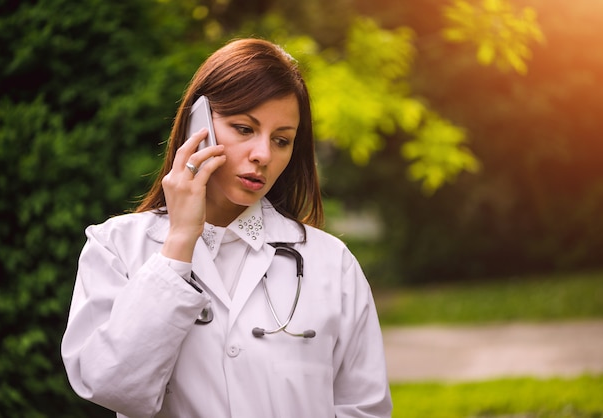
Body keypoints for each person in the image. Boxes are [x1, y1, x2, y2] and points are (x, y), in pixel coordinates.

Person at [61, 38, 392, 418]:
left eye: (281, 140)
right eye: (244, 128)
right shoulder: (117, 247)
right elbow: (111, 385)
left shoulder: (333, 264)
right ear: (197, 126)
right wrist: (179, 244)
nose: (263, 155)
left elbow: (365, 408)